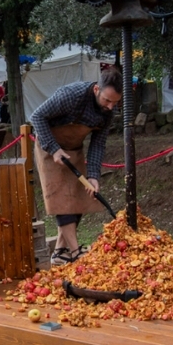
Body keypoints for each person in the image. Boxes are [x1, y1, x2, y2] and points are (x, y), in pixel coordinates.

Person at [30, 68, 123, 266]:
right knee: (62, 201)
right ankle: (75, 252)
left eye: (115, 102)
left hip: (74, 150)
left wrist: (94, 175)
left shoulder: (109, 111)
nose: (110, 106)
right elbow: (37, 116)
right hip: (50, 149)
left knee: (79, 198)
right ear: (97, 89)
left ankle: (59, 253)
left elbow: (98, 143)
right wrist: (54, 149)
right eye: (107, 100)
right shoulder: (72, 96)